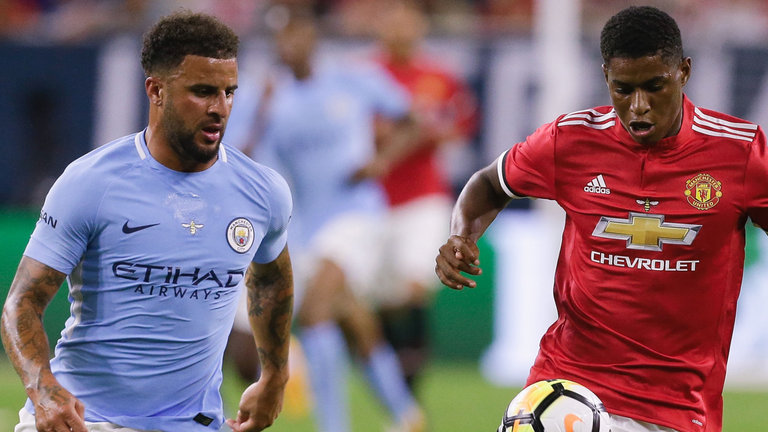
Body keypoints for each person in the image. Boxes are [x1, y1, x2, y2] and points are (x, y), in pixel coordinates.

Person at [435, 6, 768, 432]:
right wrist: (462, 235)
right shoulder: (570, 140)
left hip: (674, 406)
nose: (639, 107)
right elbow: (489, 183)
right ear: (605, 77)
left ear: (683, 72)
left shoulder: (739, 152)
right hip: (566, 383)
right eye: (623, 89)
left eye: (655, 86)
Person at [0, 11, 294, 432]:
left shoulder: (262, 191)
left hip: (191, 423)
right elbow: (22, 303)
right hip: (84, 420)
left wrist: (275, 376)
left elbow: (270, 281)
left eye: (229, 92)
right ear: (156, 90)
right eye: (202, 92)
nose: (219, 108)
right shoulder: (91, 182)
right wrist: (42, 388)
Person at [244, 12, 424, 432]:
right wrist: (261, 113)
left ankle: (333, 426)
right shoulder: (265, 95)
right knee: (350, 317)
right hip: (305, 226)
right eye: (281, 37)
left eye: (296, 33)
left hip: (358, 215)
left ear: (311, 36)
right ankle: (406, 414)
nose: (289, 44)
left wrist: (381, 160)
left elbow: (413, 120)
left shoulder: (351, 78)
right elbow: (240, 158)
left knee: (315, 312)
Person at [371, 0, 479, 391]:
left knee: (416, 283)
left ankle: (410, 383)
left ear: (420, 28)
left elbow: (461, 123)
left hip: (423, 197)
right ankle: (395, 383)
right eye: (393, 23)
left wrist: (427, 131)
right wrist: (407, 130)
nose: (400, 31)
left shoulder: (438, 76)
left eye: (408, 23)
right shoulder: (366, 75)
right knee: (386, 298)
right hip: (376, 202)